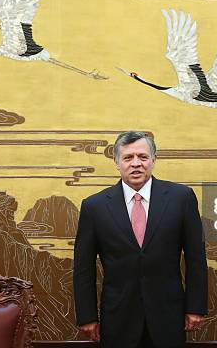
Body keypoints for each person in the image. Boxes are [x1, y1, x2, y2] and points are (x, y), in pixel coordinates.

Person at [73, 131, 208, 347]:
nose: (136, 163)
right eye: (128, 158)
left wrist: (195, 307)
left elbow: (196, 258)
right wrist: (87, 316)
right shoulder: (94, 207)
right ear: (117, 162)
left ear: (154, 160)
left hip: (169, 316)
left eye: (143, 157)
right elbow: (83, 268)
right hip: (117, 317)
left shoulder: (181, 198)